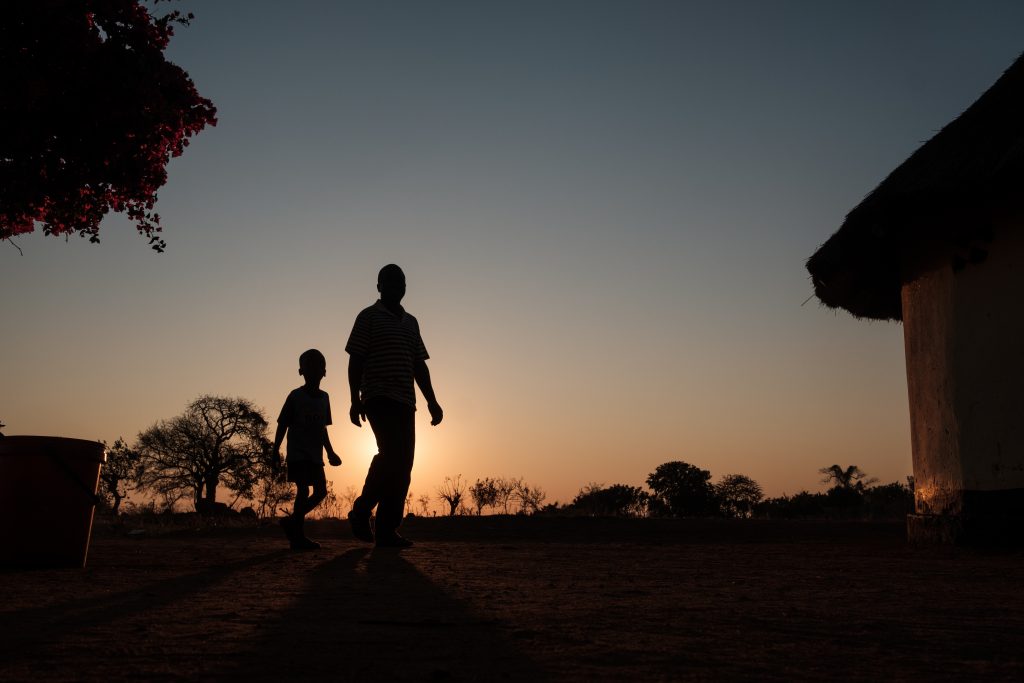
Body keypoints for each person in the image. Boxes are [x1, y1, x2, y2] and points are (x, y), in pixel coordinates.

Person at [346, 264, 443, 548]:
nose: (396, 287)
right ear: (379, 286)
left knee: (403, 465)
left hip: (405, 401)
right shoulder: (368, 317)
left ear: (405, 287)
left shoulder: (411, 322)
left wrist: (432, 401)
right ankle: (363, 511)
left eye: (400, 283)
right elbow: (356, 360)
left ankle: (386, 529)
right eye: (389, 283)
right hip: (377, 396)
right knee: (391, 455)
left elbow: (418, 365)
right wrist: (354, 400)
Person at [273, 348, 342, 550]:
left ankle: (293, 522)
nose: (314, 370)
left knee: (321, 492)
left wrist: (330, 451)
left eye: (318, 366)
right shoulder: (295, 396)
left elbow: (323, 428)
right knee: (303, 490)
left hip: (315, 455)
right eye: (309, 366)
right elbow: (282, 424)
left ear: (325, 371)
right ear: (301, 371)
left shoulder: (324, 398)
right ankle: (298, 537)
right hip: (298, 453)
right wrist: (275, 450)